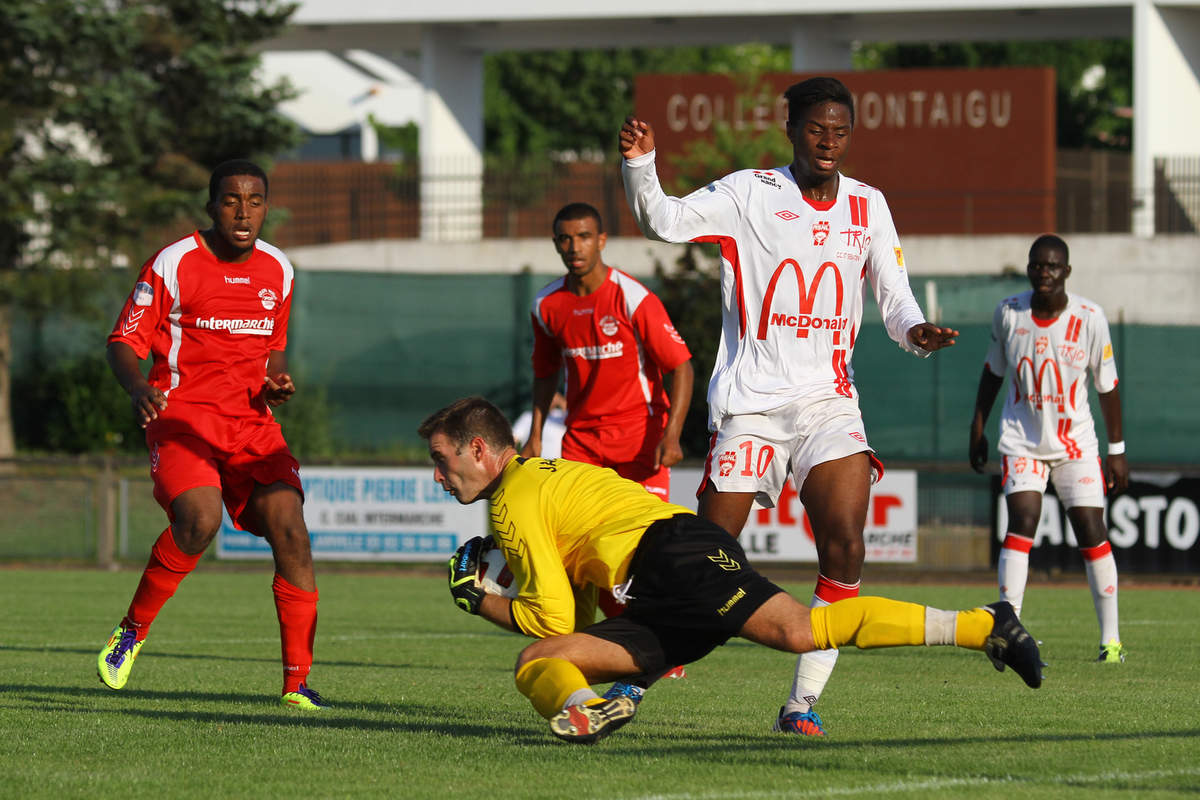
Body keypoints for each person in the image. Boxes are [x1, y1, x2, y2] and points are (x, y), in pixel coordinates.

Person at [619, 77, 960, 736]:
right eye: (816, 129)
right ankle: (631, 681)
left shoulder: (869, 205)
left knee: (848, 544)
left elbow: (896, 298)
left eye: (839, 130)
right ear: (792, 130)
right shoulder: (750, 193)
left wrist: (917, 334)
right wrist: (641, 166)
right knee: (708, 558)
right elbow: (662, 219)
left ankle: (802, 702)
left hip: (828, 403)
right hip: (751, 407)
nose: (828, 142)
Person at [422, 397, 1042, 744]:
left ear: (479, 449)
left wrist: (481, 600)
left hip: (672, 556)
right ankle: (590, 711)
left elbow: (547, 614)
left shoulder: (511, 499)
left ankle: (984, 623)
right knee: (539, 662)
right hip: (657, 589)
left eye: (442, 460)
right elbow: (571, 622)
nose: (438, 477)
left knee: (801, 630)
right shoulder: (536, 482)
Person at [96, 159, 327, 709]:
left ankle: (297, 683)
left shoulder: (279, 269)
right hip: (181, 420)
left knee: (291, 528)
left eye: (254, 201)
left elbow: (271, 354)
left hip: (252, 426)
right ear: (211, 206)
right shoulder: (174, 263)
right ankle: (131, 630)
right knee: (199, 519)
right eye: (230, 200)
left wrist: (274, 386)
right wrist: (135, 389)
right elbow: (121, 342)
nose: (243, 212)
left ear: (266, 207)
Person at [969, 233, 1129, 663]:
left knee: (1091, 532)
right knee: (1022, 520)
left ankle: (1110, 641)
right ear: (1028, 269)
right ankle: (1007, 634)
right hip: (1021, 439)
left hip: (1075, 443)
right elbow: (992, 373)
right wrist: (977, 426)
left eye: (1053, 266)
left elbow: (1107, 387)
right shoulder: (1009, 312)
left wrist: (1117, 449)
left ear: (1067, 272)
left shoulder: (1090, 317)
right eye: (1037, 265)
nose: (1044, 273)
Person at [522, 202, 694, 503]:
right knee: (582, 538)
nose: (575, 247)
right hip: (581, 443)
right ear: (556, 245)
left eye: (584, 236)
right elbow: (546, 372)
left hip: (639, 438)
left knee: (643, 538)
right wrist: (534, 436)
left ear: (601, 240)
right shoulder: (546, 305)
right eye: (566, 239)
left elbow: (682, 367)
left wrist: (673, 434)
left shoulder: (632, 297)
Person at [512, 392, 568, 458]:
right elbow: (514, 440)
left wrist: (561, 401)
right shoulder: (527, 417)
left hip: (560, 465)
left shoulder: (560, 415)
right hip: (535, 464)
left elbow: (573, 416)